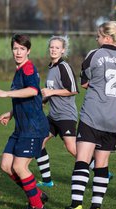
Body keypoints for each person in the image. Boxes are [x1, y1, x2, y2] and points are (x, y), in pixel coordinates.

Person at [55, 17, 116, 209]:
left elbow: (85, 83)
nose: (96, 40)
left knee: (82, 160)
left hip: (92, 114)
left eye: (98, 36)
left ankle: (75, 207)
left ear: (106, 37)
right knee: (102, 164)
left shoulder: (94, 55)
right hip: (113, 119)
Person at [0, 34, 49, 209]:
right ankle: (37, 194)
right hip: (21, 128)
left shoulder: (28, 69)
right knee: (5, 165)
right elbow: (28, 100)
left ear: (28, 51)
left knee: (19, 167)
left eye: (22, 49)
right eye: (15, 48)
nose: (18, 52)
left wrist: (5, 93)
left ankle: (38, 205)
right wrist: (11, 113)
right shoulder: (19, 70)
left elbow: (33, 91)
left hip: (33, 128)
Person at [35, 35, 78, 188]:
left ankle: (101, 171)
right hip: (53, 116)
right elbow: (51, 91)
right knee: (38, 142)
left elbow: (72, 90)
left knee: (72, 148)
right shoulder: (51, 67)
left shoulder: (63, 66)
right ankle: (47, 181)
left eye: (57, 48)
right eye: (51, 47)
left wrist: (51, 93)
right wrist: (43, 101)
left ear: (63, 50)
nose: (53, 50)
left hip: (66, 115)